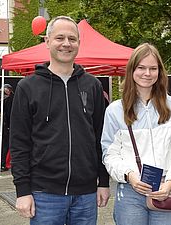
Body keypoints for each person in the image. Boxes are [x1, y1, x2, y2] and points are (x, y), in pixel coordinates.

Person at [9, 16, 110, 224]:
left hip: (86, 193)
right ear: (47, 41)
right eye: (60, 38)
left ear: (79, 44)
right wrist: (22, 190)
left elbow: (102, 137)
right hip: (44, 193)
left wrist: (104, 181)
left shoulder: (92, 86)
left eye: (72, 39)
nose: (66, 44)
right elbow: (19, 143)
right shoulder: (28, 87)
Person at [101, 43, 171, 225]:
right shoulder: (115, 110)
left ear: (160, 72)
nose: (147, 73)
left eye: (153, 68)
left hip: (166, 190)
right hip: (130, 193)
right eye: (141, 67)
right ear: (132, 70)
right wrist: (129, 175)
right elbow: (109, 155)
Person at [0, 84, 13, 172]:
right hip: (7, 125)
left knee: (2, 145)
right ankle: (4, 164)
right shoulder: (9, 98)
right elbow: (9, 113)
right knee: (6, 145)